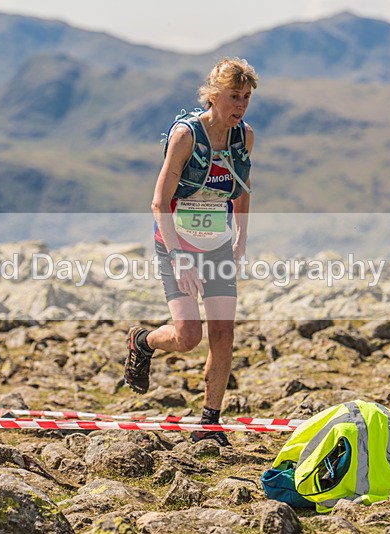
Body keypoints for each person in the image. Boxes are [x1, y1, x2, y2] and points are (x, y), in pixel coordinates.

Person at [124, 58, 258, 447]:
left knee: (223, 333)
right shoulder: (186, 135)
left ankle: (209, 425)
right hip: (175, 242)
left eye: (247, 98)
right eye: (234, 97)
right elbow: (158, 201)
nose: (240, 106)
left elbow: (244, 188)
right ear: (213, 96)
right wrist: (179, 257)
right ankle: (143, 341)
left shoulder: (243, 137)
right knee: (187, 337)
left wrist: (241, 239)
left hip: (217, 244)